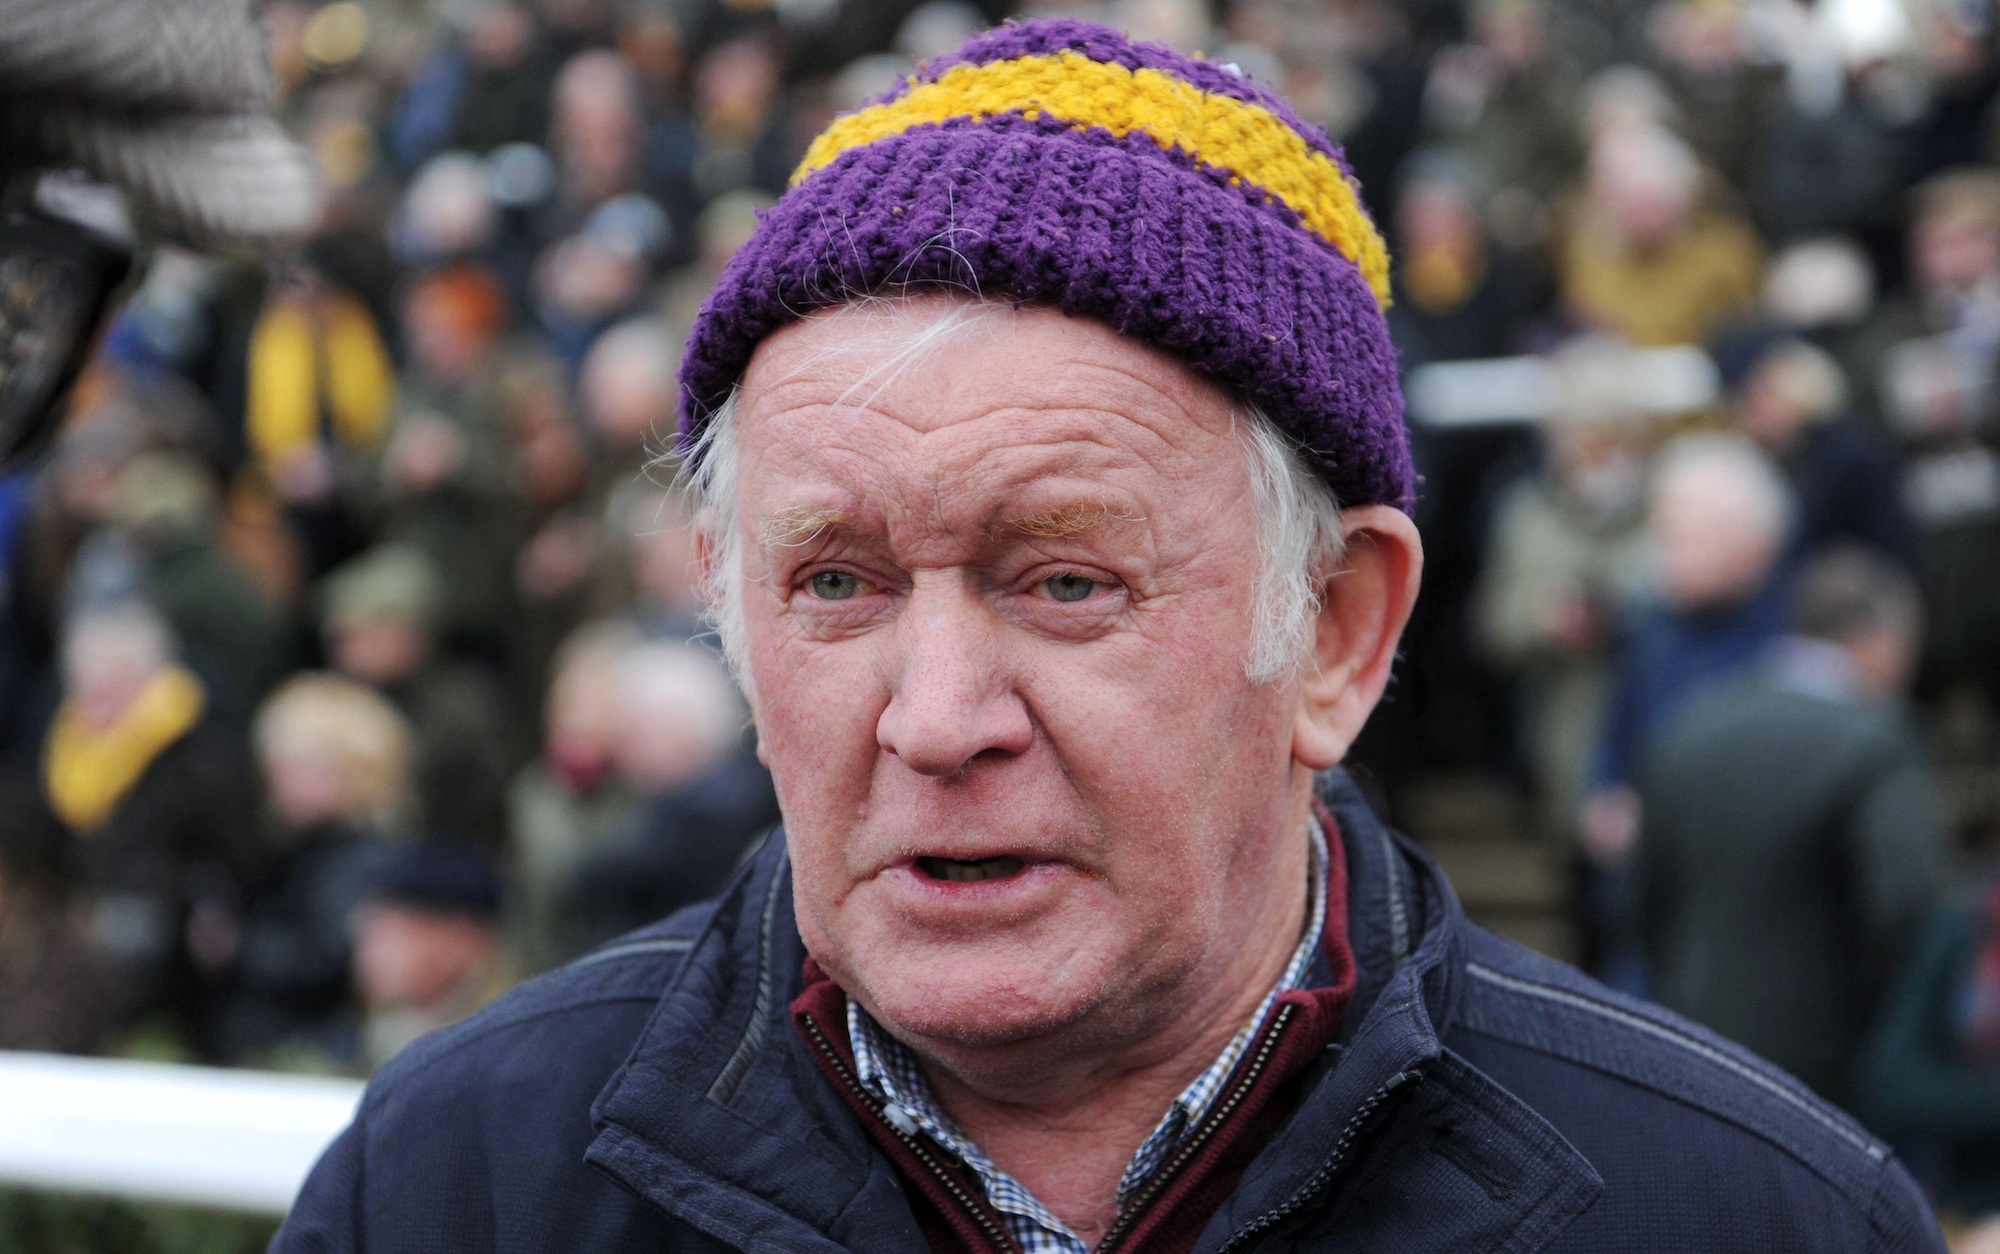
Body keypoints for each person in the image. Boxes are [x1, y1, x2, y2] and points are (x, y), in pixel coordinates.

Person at [275, 22, 1942, 1253]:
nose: (935, 717)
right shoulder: (447, 1183)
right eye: (836, 582)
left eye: (1065, 580)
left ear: (1340, 631)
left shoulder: (1757, 1214)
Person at [1637, 548, 1949, 1109]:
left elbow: (1643, 896)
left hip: (1689, 1039)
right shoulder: (1877, 738)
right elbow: (1907, 905)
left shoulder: (1694, 721)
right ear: (1872, 639)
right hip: (1828, 1063)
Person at [216, 674, 412, 1063]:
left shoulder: (357, 859)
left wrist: (238, 948)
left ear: (353, 768)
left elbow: (329, 959)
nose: (276, 780)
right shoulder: (307, 848)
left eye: (296, 765)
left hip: (311, 1055)